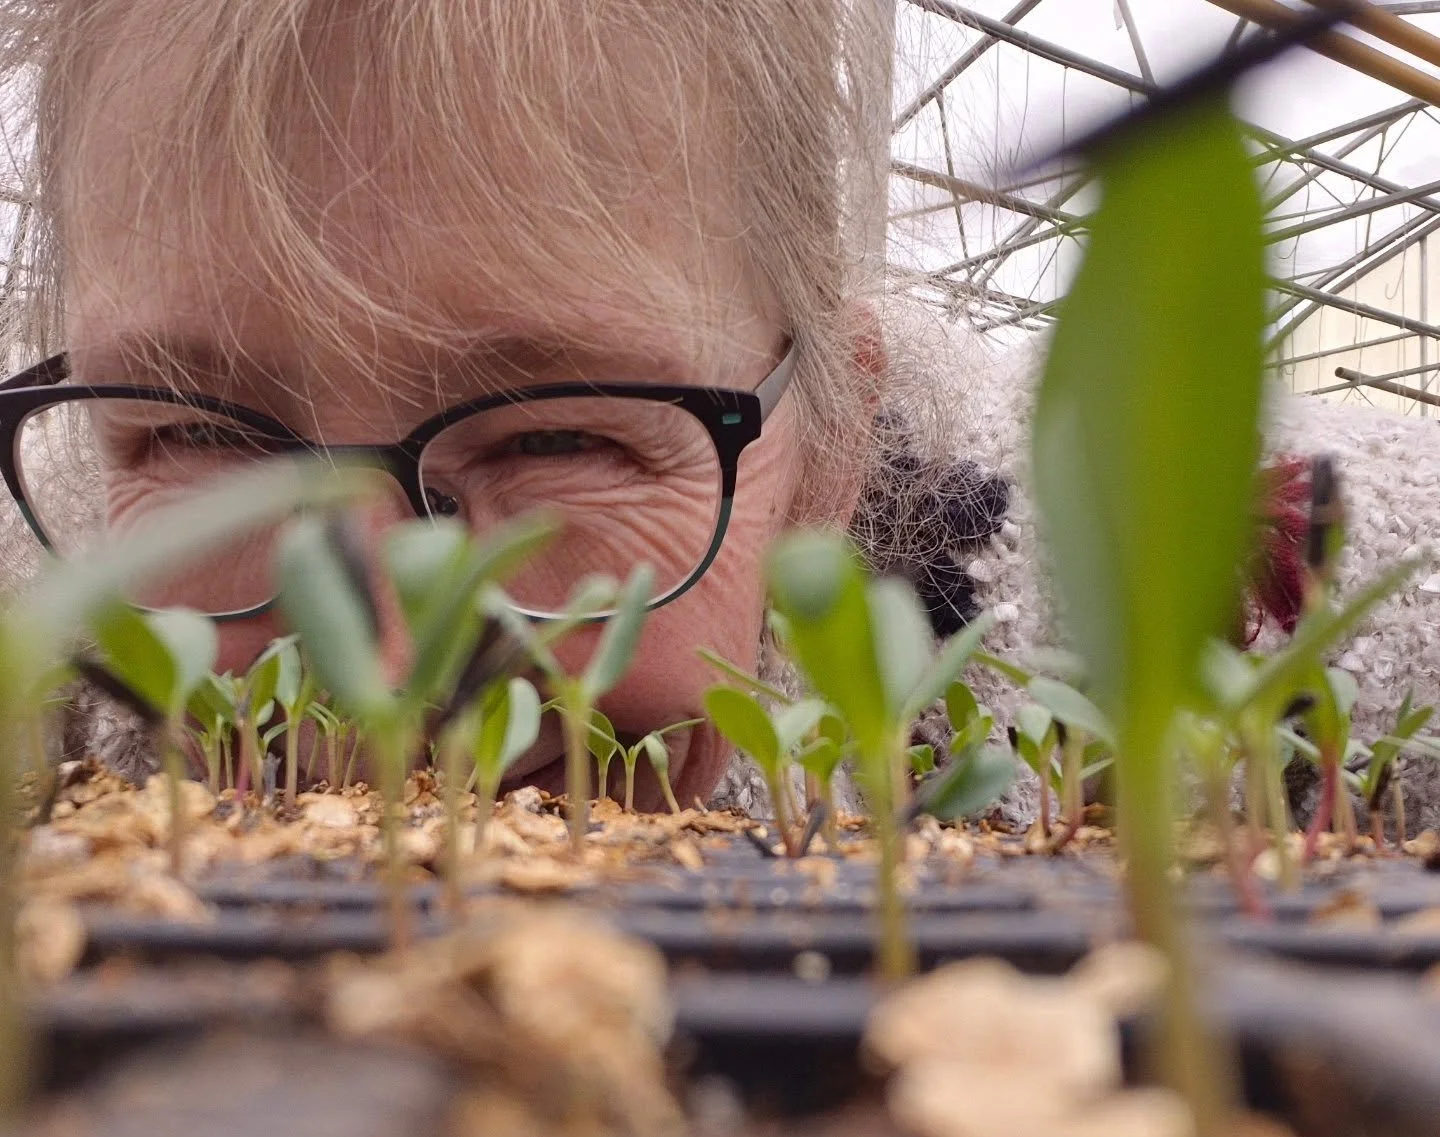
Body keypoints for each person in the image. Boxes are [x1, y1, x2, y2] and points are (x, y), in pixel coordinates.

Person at [0, 0, 1007, 810]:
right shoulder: (36, 683)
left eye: (556, 437)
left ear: (825, 458)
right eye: (200, 433)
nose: (382, 683)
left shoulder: (1104, 657)